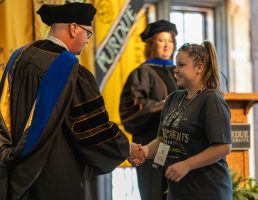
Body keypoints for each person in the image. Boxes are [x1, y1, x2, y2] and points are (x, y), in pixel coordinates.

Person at [0, 3, 144, 200]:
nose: (87, 41)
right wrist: (126, 148)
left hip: (13, 172)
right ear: (73, 28)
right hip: (53, 173)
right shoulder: (70, 70)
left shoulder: (18, 58)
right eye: (88, 33)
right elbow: (92, 129)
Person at [141, 41, 232, 200]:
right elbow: (165, 140)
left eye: (181, 65)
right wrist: (144, 152)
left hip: (208, 192)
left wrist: (187, 165)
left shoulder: (212, 100)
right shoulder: (173, 98)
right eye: (176, 65)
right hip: (178, 193)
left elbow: (223, 147)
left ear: (199, 68)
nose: (175, 70)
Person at [119, 20, 178, 200]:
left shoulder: (179, 71)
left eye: (170, 40)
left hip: (179, 145)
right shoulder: (142, 73)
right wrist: (163, 104)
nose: (167, 45)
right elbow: (130, 111)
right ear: (151, 44)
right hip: (153, 141)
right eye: (161, 40)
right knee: (156, 189)